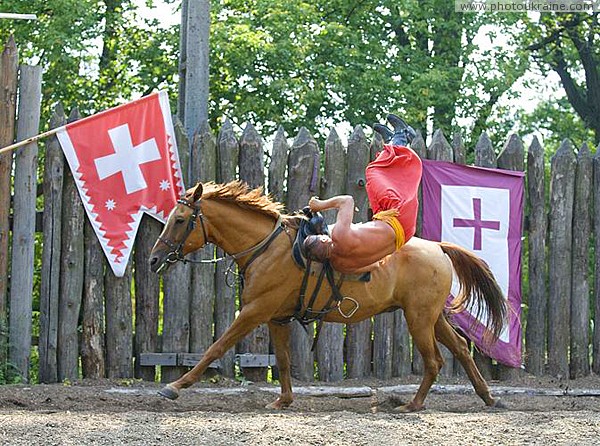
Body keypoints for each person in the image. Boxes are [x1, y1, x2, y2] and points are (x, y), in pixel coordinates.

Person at [304, 113, 422, 274]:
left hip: (404, 236)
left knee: (373, 190)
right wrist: (319, 206)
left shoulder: (339, 265)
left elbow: (375, 266)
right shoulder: (339, 235)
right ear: (324, 238)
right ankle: (402, 136)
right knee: (374, 172)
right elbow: (347, 201)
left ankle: (390, 142)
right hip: (397, 216)